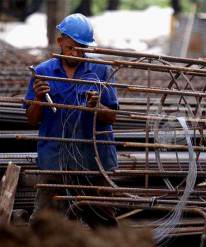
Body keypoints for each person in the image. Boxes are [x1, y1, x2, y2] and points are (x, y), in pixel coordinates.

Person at [24, 13, 119, 228]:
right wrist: (39, 99)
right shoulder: (42, 72)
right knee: (44, 225)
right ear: (60, 42)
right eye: (71, 48)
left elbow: (112, 116)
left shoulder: (102, 71)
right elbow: (31, 120)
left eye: (82, 48)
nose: (76, 53)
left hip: (94, 161)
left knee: (103, 223)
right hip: (55, 162)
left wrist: (97, 107)